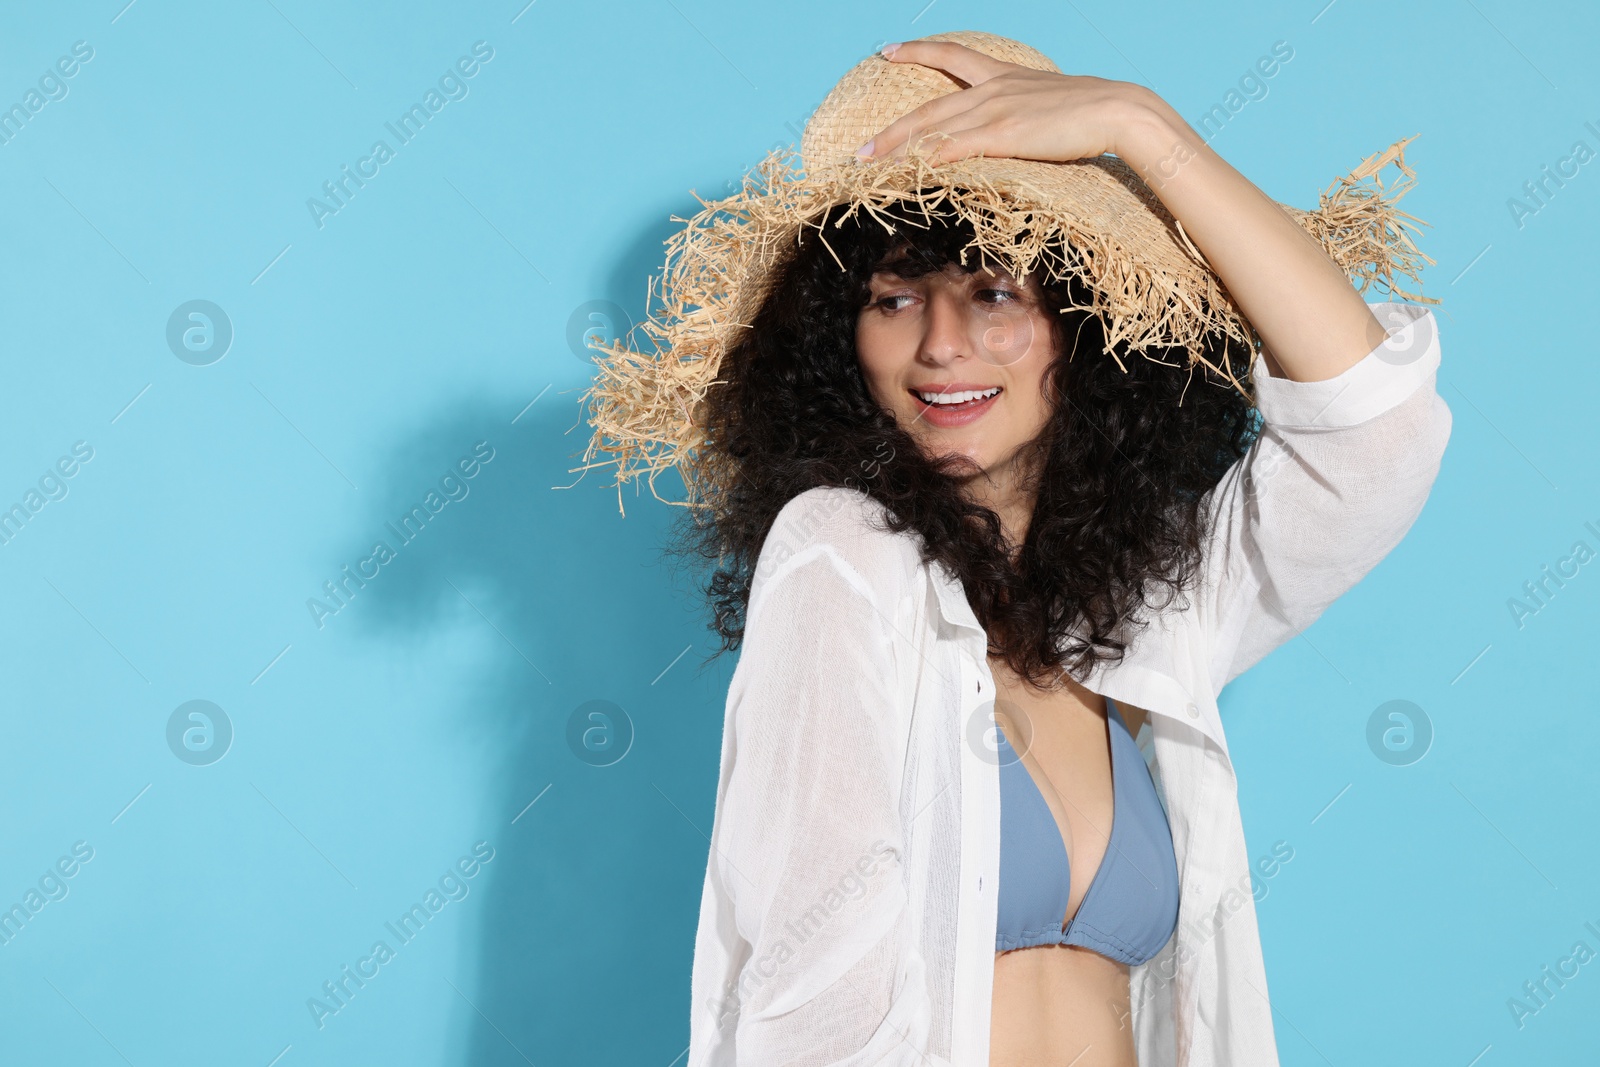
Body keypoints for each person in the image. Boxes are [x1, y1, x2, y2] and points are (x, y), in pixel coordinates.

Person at [578, 30, 1450, 1067]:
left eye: (993, 289)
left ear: (1080, 320)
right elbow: (812, 988)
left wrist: (1142, 126)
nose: (939, 343)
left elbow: (1372, 433)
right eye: (892, 297)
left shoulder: (1140, 611)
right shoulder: (840, 555)